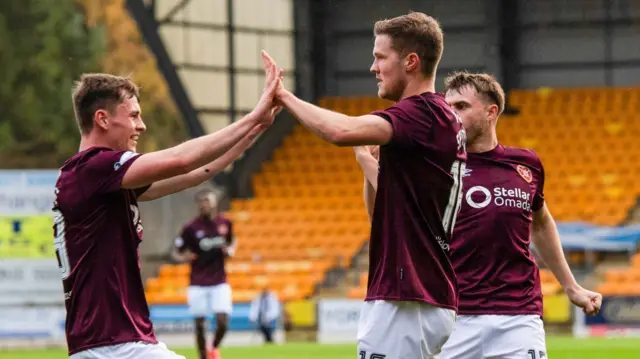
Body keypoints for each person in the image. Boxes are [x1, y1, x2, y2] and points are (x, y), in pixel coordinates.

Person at [355, 72, 603, 359]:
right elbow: (383, 219)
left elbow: (542, 223)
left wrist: (571, 287)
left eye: (461, 107)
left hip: (518, 317)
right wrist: (367, 167)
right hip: (452, 316)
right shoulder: (432, 165)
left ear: (491, 112)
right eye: (448, 108)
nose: (451, 115)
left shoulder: (526, 164)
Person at [262, 11, 467, 359]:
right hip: (413, 293)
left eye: (380, 57)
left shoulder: (421, 115)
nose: (373, 67)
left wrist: (283, 96)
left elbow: (340, 131)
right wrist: (366, 163)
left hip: (409, 297)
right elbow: (380, 215)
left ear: (411, 62)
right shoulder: (431, 122)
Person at [53, 59, 282, 359]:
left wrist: (256, 129)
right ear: (102, 119)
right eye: (134, 115)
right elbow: (182, 160)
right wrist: (252, 117)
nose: (141, 125)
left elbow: (199, 171)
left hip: (116, 343)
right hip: (112, 346)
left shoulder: (97, 178)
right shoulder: (93, 167)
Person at [172, 189, 235, 359]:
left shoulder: (225, 223)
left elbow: (231, 244)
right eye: (201, 201)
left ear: (215, 203)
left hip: (219, 280)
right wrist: (184, 257)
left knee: (222, 321)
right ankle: (203, 357)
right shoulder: (190, 228)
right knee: (199, 324)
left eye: (207, 200)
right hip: (198, 281)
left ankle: (213, 347)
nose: (204, 204)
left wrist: (229, 251)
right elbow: (176, 252)